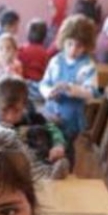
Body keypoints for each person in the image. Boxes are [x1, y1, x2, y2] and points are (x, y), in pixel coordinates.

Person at [0, 77, 70, 179]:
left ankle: (47, 171)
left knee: (37, 133)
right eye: (4, 110)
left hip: (35, 163)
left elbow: (54, 130)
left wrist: (58, 146)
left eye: (16, 111)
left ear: (25, 105)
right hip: (2, 170)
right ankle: (45, 174)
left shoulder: (35, 119)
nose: (10, 117)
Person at [39, 14, 98, 165]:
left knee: (67, 146)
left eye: (78, 46)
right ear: (63, 40)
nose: (73, 50)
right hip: (51, 112)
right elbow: (44, 83)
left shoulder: (88, 66)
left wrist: (71, 88)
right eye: (70, 44)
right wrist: (48, 92)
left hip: (71, 118)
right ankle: (49, 166)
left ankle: (67, 170)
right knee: (50, 140)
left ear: (86, 45)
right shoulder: (56, 61)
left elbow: (91, 92)